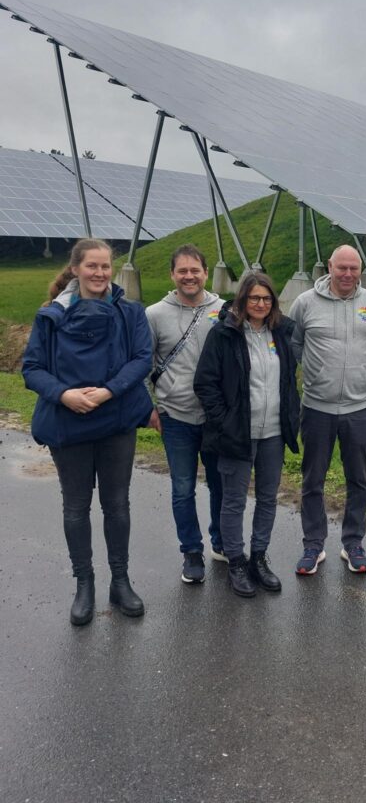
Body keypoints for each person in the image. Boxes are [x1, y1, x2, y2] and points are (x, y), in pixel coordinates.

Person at [22, 238, 153, 626]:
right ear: (76, 269)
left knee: (117, 505)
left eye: (105, 267)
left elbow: (142, 359)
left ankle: (120, 581)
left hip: (116, 422)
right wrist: (64, 395)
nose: (99, 273)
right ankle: (84, 585)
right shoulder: (50, 315)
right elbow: (32, 368)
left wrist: (109, 391)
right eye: (92, 266)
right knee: (76, 507)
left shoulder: (131, 312)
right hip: (68, 422)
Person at [194, 273, 300, 597]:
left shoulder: (281, 332)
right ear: (242, 299)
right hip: (237, 433)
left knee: (268, 498)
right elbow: (205, 383)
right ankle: (236, 561)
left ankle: (258, 557)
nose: (260, 304)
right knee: (234, 500)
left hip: (272, 433)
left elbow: (288, 379)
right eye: (254, 298)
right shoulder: (224, 334)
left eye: (266, 299)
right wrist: (225, 421)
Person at [289, 245, 366, 576]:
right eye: (341, 267)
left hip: (358, 408)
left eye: (353, 268)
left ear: (361, 269)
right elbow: (295, 344)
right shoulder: (304, 304)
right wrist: (316, 373)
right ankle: (313, 545)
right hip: (316, 407)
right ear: (329, 266)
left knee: (357, 478)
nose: (347, 274)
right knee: (312, 479)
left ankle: (353, 543)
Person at [145, 244, 225, 585]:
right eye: (183, 271)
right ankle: (191, 551)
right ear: (172, 275)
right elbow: (143, 364)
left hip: (216, 416)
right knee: (182, 488)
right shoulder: (154, 314)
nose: (189, 276)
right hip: (175, 415)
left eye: (195, 270)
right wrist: (150, 407)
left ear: (206, 273)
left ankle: (222, 542)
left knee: (222, 484)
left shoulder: (223, 310)